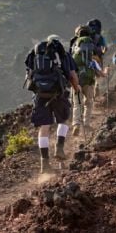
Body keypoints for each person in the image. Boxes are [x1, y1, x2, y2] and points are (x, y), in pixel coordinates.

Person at [25, 35, 80, 173]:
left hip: (40, 95)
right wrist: (76, 88)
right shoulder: (63, 55)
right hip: (58, 93)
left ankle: (45, 164)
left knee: (44, 128)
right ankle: (59, 147)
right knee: (63, 120)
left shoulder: (35, 55)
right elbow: (72, 75)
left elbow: (29, 75)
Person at [71, 25, 107, 136]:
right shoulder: (92, 51)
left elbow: (70, 66)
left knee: (77, 103)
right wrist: (104, 72)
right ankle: (86, 123)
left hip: (76, 79)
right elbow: (98, 70)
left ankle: (76, 124)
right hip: (89, 79)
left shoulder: (74, 48)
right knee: (89, 103)